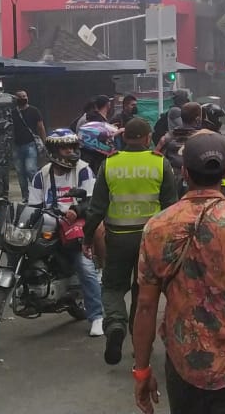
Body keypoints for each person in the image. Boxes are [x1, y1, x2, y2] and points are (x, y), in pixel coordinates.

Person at [130, 131, 225, 414]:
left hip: (184, 368)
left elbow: (144, 306)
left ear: (184, 172)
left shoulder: (157, 227)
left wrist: (141, 371)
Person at [85, 117, 177, 365]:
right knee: (143, 291)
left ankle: (115, 323)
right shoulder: (160, 164)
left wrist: (87, 237)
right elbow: (171, 207)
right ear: (148, 138)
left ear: (124, 138)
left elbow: (97, 207)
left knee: (113, 287)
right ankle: (140, 345)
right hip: (151, 240)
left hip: (118, 238)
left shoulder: (110, 164)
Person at [29, 128, 104, 338]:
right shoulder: (40, 175)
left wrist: (75, 210)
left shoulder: (83, 170)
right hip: (47, 226)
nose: (70, 151)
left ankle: (97, 316)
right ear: (53, 150)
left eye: (73, 146)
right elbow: (33, 205)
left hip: (74, 226)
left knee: (85, 266)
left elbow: (91, 201)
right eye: (64, 148)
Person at [10, 90, 47, 200]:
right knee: (20, 172)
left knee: (31, 169)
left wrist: (44, 142)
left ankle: (38, 193)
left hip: (30, 144)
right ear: (16, 99)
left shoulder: (34, 111)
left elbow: (40, 127)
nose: (23, 97)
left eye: (25, 95)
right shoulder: (12, 113)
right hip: (16, 146)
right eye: (20, 96)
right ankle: (25, 196)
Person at [156, 102, 203, 186]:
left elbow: (156, 160)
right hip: (197, 184)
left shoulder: (166, 138)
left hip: (173, 183)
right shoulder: (204, 138)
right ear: (198, 119)